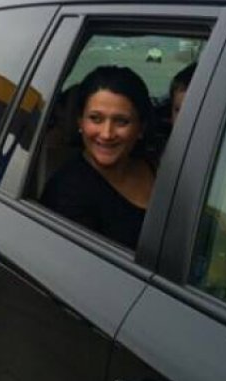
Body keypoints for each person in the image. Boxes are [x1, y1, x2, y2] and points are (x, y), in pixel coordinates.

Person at [41, 65, 155, 249]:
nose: (107, 134)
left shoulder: (158, 167)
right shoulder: (65, 194)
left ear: (141, 128)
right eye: (96, 118)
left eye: (121, 121)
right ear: (80, 122)